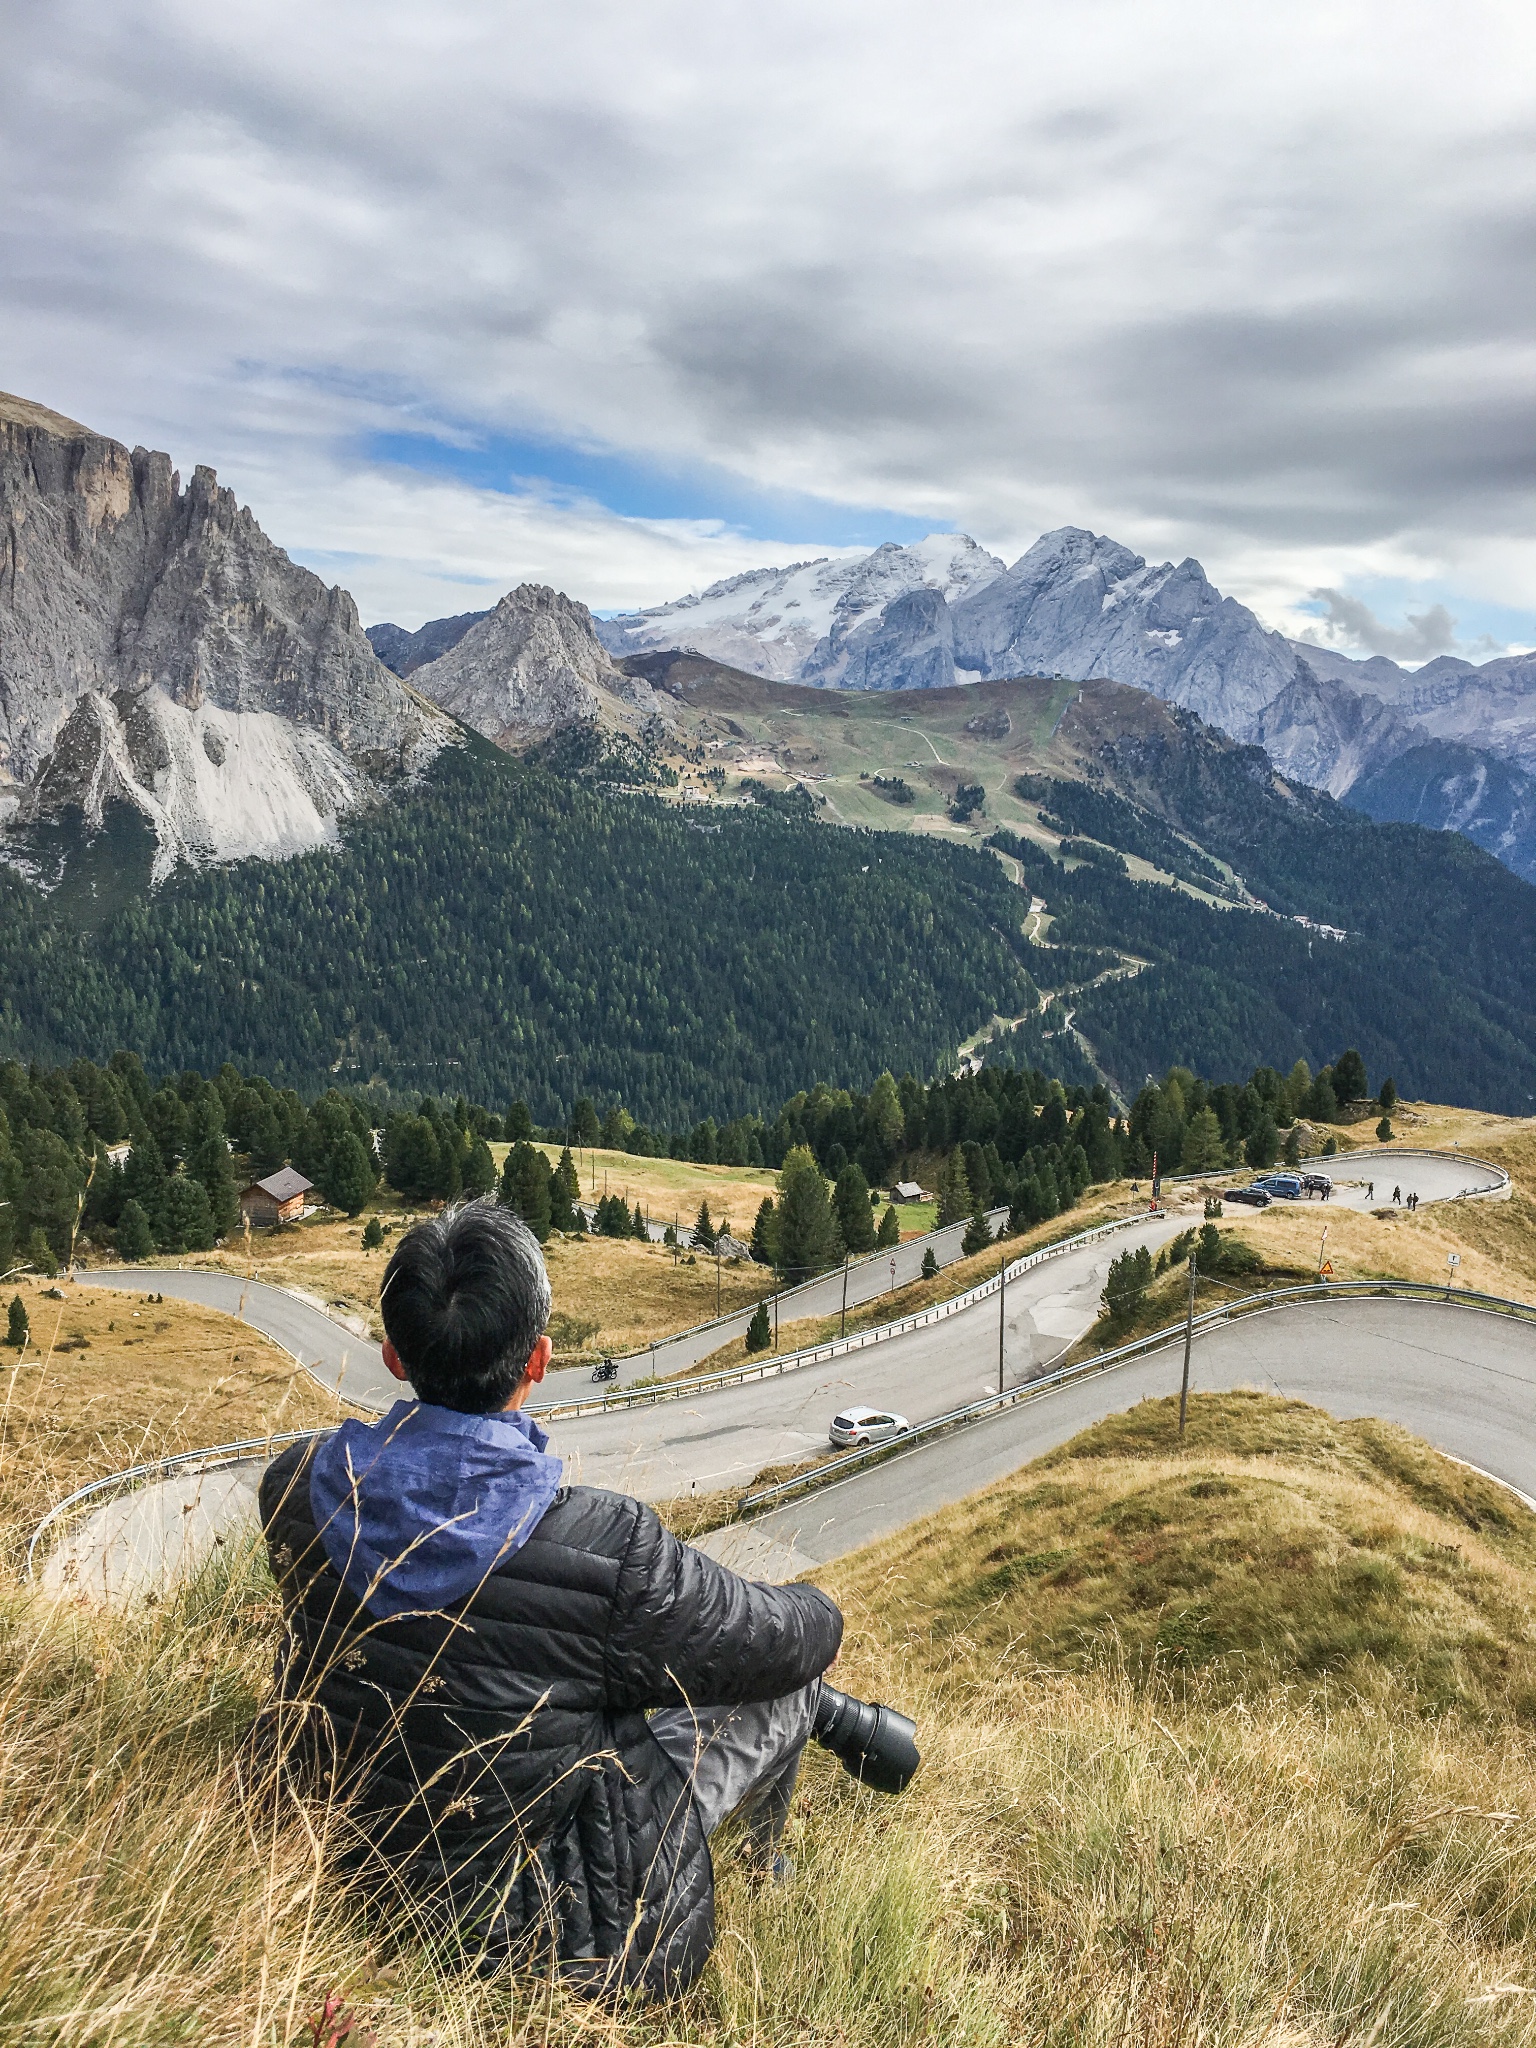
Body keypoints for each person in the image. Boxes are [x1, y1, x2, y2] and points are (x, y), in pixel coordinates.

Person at [258, 1201, 858, 1998]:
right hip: (556, 1937)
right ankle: (763, 1865)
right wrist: (821, 1605)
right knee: (787, 1682)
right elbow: (779, 1643)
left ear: (394, 1358)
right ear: (539, 1360)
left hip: (337, 1865)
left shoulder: (298, 1490)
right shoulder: (603, 1548)